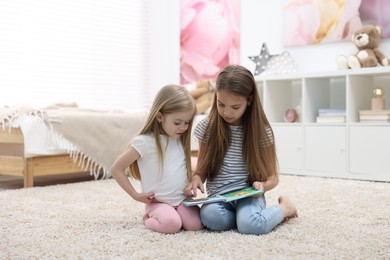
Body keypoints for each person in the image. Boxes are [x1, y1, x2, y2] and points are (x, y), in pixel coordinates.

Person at [184, 65, 298, 235]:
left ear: (249, 100)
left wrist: (263, 186)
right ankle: (244, 219)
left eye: (235, 107)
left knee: (251, 226)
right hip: (220, 197)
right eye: (221, 104)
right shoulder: (207, 128)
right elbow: (202, 169)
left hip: (247, 196)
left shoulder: (261, 131)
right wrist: (196, 178)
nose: (226, 112)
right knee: (209, 217)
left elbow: (272, 177)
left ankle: (284, 208)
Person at [111, 84, 203, 234]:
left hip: (182, 201)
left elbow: (180, 169)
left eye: (187, 123)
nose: (183, 128)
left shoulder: (179, 140)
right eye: (177, 122)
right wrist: (136, 196)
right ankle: (148, 217)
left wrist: (190, 184)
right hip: (158, 203)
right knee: (171, 225)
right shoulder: (144, 142)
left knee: (196, 225)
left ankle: (175, 214)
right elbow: (116, 168)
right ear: (160, 117)